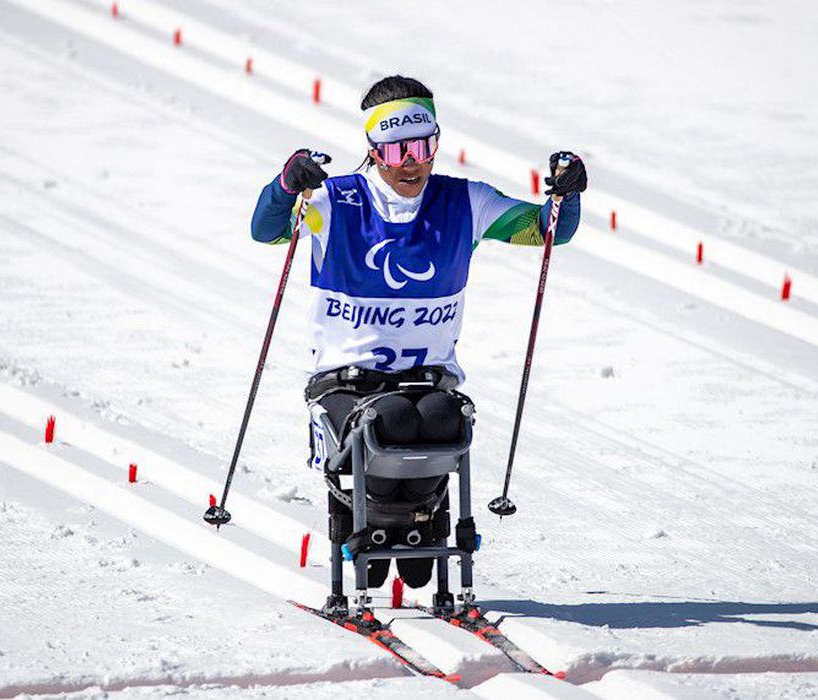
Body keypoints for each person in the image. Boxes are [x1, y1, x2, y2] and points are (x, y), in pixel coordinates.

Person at [249, 75, 586, 593]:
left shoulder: (465, 202)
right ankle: (378, 532)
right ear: (373, 150)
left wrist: (567, 195)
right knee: (391, 422)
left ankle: (417, 530)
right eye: (397, 149)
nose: (412, 161)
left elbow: (549, 230)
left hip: (428, 383)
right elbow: (267, 230)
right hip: (347, 384)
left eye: (423, 146)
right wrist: (288, 185)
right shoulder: (338, 202)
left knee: (435, 418)